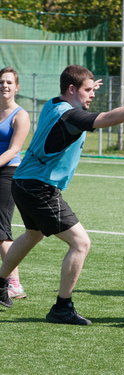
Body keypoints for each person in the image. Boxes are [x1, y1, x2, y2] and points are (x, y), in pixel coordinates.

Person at [0, 65, 124, 325]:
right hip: (38, 187)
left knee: (33, 234)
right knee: (81, 243)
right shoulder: (70, 116)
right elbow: (109, 118)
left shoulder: (52, 104)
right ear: (71, 90)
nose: (92, 95)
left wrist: (85, 88)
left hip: (22, 181)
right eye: (87, 91)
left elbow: (74, 100)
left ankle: (1, 282)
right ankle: (62, 307)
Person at [0, 67, 30, 299]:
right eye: (1, 82)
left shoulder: (20, 115)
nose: (5, 86)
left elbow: (14, 150)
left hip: (8, 174)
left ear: (17, 87)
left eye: (9, 82)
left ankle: (14, 283)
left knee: (1, 230)